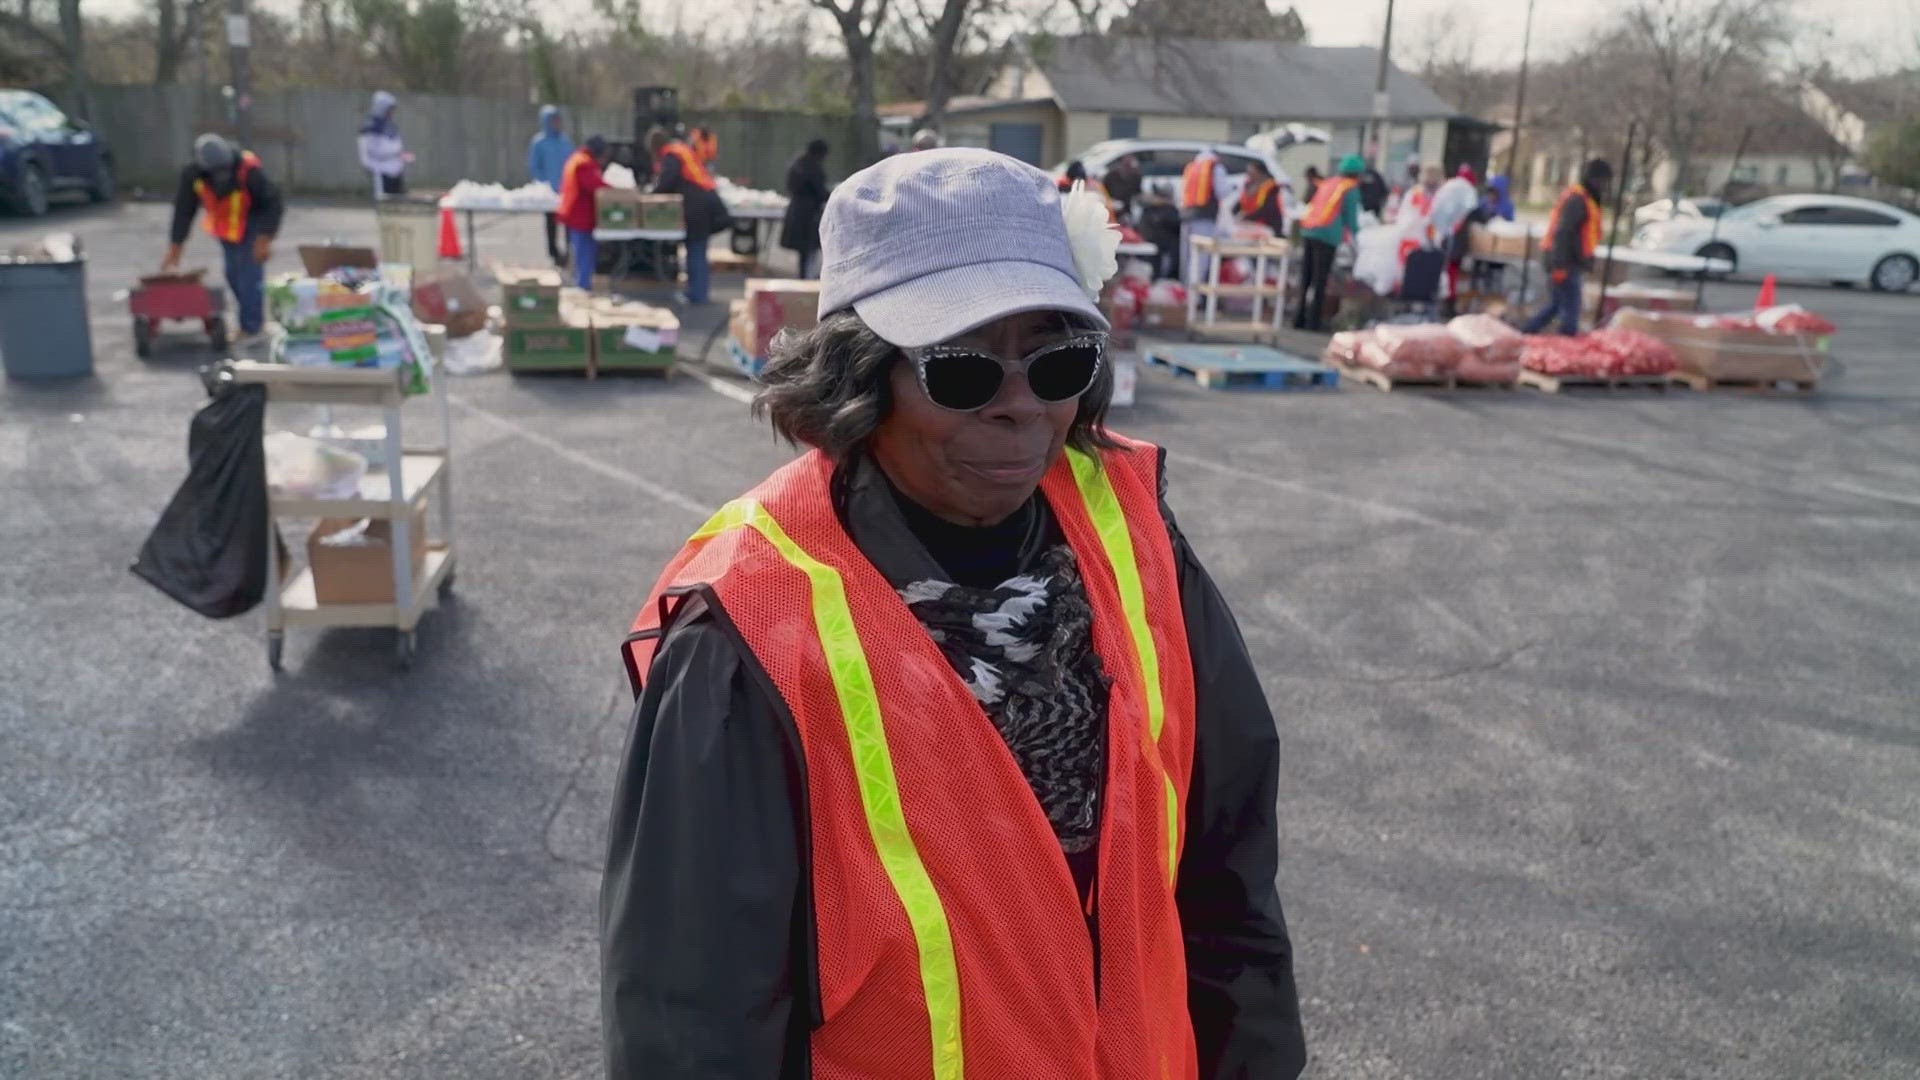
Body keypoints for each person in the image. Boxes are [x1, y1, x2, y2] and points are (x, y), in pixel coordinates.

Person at [602, 147, 1307, 1080]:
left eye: (1056, 361)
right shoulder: (747, 635)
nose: (1020, 408)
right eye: (963, 371)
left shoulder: (1134, 540)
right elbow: (691, 1019)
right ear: (858, 382)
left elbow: (1225, 871)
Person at [162, 133, 283, 344]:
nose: (222, 176)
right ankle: (253, 323)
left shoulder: (248, 169)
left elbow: (272, 203)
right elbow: (184, 210)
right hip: (226, 231)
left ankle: (252, 328)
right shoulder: (193, 174)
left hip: (252, 225)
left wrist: (264, 238)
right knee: (233, 276)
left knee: (249, 278)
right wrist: (176, 246)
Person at [1523, 158, 1611, 336]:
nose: (1605, 186)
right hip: (1565, 263)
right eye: (1603, 181)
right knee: (1571, 309)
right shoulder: (1577, 200)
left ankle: (1525, 332)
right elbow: (1562, 234)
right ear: (1594, 179)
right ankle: (1566, 346)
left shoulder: (1585, 199)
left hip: (1568, 261)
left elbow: (1583, 236)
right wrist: (1559, 266)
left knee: (1556, 305)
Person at [649, 125, 729, 305]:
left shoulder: (671, 155)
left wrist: (650, 196)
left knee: (695, 251)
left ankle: (697, 294)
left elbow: (667, 181)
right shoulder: (681, 149)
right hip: (706, 201)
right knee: (698, 250)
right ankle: (699, 292)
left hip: (696, 206)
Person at [1294, 153, 1364, 331]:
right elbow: (1351, 218)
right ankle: (1313, 322)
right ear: (1357, 174)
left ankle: (1298, 318)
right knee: (1320, 280)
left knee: (1306, 278)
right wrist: (1359, 236)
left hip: (1309, 230)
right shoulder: (1350, 188)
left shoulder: (1328, 182)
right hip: (1327, 235)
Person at [557, 135, 610, 290]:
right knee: (585, 252)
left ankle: (581, 283)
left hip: (576, 212)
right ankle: (583, 286)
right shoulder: (584, 164)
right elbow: (594, 185)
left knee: (581, 251)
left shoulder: (577, 158)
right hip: (581, 214)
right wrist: (617, 189)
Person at [528, 105, 575, 268]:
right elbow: (535, 166)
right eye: (553, 120)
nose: (557, 123)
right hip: (549, 191)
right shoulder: (539, 142)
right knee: (551, 222)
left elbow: (572, 162)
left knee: (570, 222)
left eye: (558, 119)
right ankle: (554, 252)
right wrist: (545, 184)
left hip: (566, 189)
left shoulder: (565, 141)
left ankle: (570, 253)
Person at [780, 138, 832, 279]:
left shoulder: (796, 164)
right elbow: (820, 192)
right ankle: (806, 278)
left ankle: (803, 275)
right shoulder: (813, 168)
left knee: (803, 251)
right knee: (809, 249)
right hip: (809, 214)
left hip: (796, 210)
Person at [1178, 147, 1227, 282]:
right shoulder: (1215, 168)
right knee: (1201, 256)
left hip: (1187, 216)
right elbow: (1223, 191)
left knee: (1187, 257)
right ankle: (1195, 295)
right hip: (1205, 218)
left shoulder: (1192, 167)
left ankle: (1185, 291)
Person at [357, 90, 409, 200]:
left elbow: (396, 145)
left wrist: (402, 155)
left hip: (396, 173)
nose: (391, 112)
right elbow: (375, 152)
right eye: (389, 109)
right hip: (381, 172)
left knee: (399, 204)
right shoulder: (370, 127)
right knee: (385, 204)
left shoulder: (390, 126)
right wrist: (395, 153)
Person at [1236, 159, 1288, 234]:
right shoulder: (1248, 185)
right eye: (1248, 173)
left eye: (1251, 173)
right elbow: (1240, 204)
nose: (1248, 175)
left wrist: (1247, 218)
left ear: (1261, 173)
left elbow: (1267, 209)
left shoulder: (1271, 187)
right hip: (1251, 225)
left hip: (1268, 226)